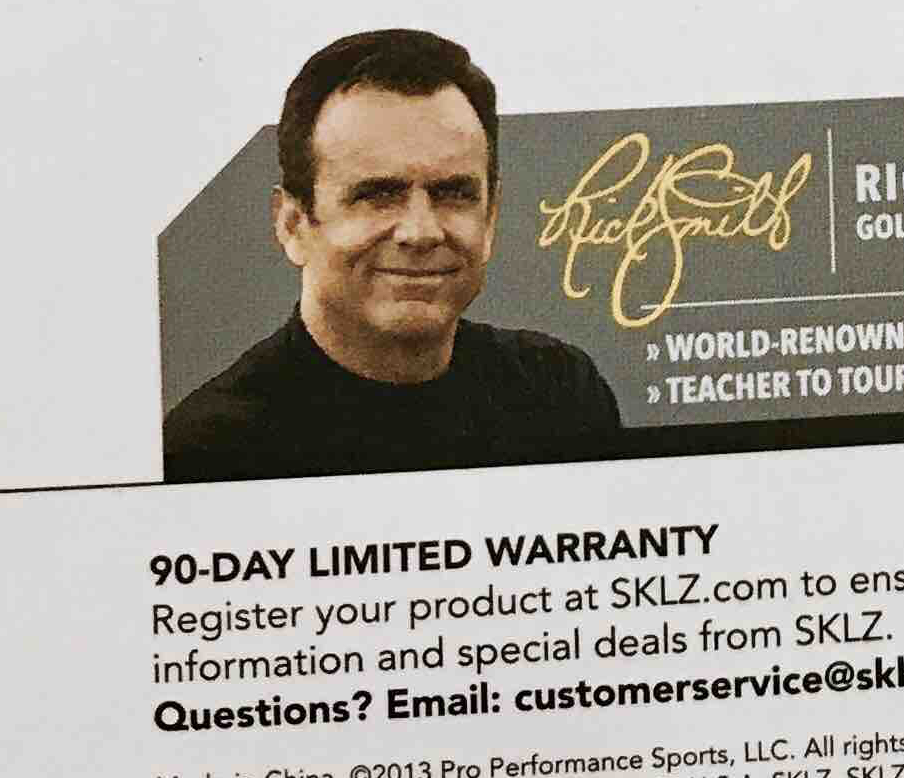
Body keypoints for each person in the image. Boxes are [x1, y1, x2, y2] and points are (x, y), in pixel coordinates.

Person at [164, 28, 623, 483]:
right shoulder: (213, 450)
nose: (420, 233)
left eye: (453, 194)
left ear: (490, 219)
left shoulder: (561, 398)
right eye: (378, 195)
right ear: (293, 225)